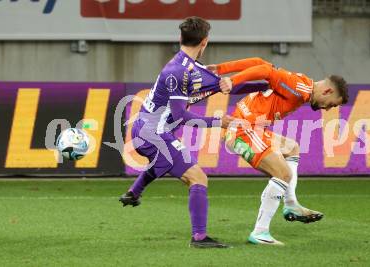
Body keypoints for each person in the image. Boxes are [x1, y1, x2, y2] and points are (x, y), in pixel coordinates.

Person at [119, 16, 236, 248]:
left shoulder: (185, 66)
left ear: (179, 38)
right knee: (198, 177)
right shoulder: (178, 72)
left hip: (149, 131)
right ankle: (200, 238)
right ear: (205, 42)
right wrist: (218, 121)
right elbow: (182, 116)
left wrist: (238, 81)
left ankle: (134, 192)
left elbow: (228, 84)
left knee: (166, 160)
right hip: (153, 134)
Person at [214, 57, 349, 245]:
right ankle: (260, 232)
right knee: (282, 173)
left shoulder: (302, 84)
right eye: (332, 104)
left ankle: (291, 204)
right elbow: (265, 70)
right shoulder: (300, 87)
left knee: (292, 148)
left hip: (252, 128)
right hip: (242, 130)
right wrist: (232, 80)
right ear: (328, 91)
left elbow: (259, 62)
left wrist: (222, 68)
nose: (327, 109)